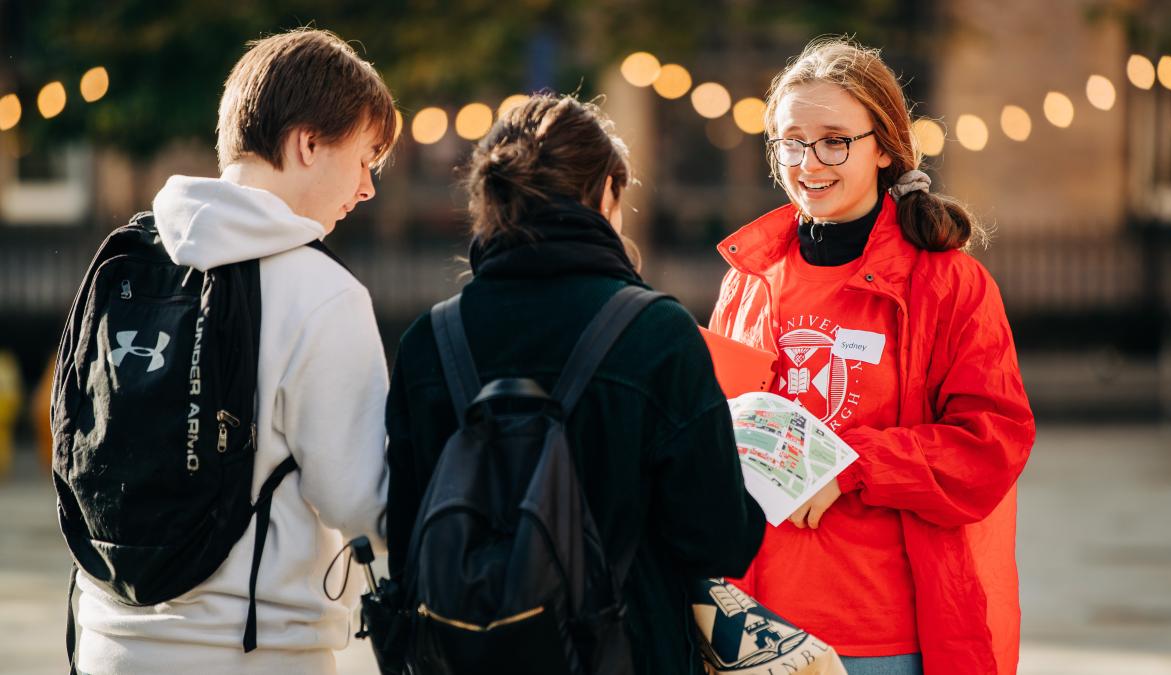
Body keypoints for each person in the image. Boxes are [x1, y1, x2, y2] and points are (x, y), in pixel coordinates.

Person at [385, 93, 766, 674]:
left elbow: (408, 538)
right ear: (607, 193)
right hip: (631, 652)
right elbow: (719, 540)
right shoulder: (656, 334)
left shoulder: (428, 343)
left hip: (466, 657)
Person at [708, 37, 1036, 675]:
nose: (809, 162)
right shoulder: (748, 279)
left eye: (835, 139)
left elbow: (993, 443)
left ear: (885, 145)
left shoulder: (948, 284)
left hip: (883, 637)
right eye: (790, 141)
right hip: (752, 627)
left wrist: (851, 465)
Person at [74, 28, 397, 675]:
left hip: (105, 638)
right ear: (308, 143)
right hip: (251, 655)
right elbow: (363, 501)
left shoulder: (129, 261)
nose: (366, 188)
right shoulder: (324, 293)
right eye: (365, 158)